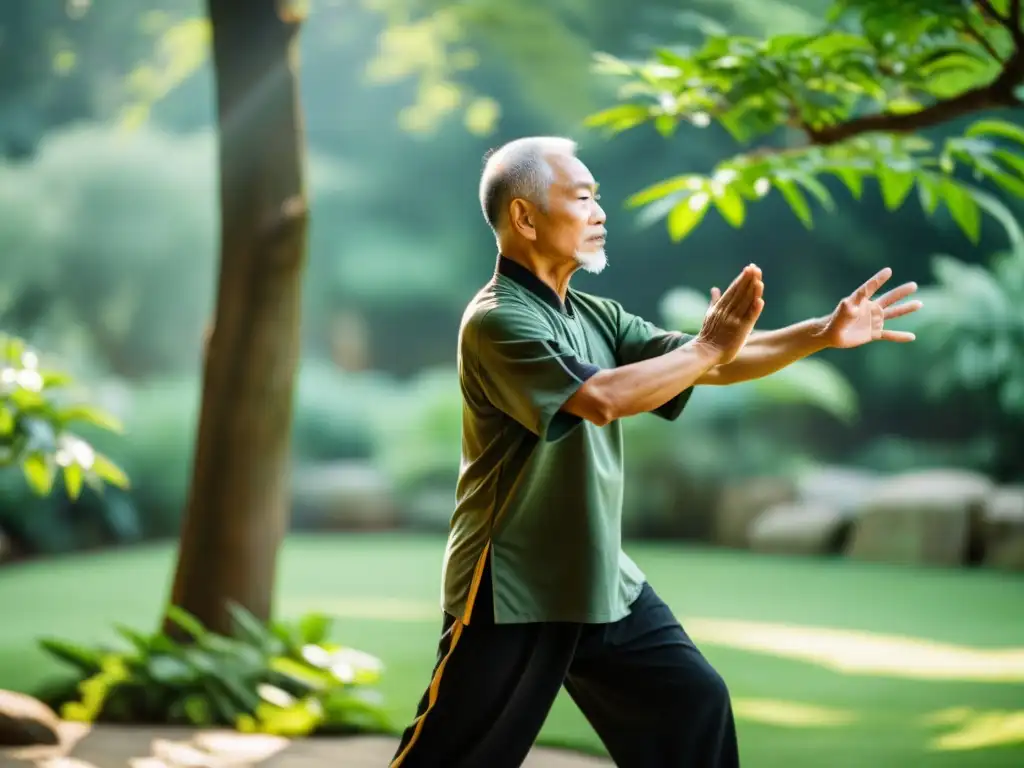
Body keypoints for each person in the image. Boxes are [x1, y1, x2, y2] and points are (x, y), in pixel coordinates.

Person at [389, 136, 921, 768]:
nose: (599, 213)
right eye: (582, 197)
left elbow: (712, 365)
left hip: (598, 575)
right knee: (457, 756)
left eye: (597, 198)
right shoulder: (498, 320)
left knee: (691, 705)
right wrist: (705, 349)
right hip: (515, 586)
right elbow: (603, 398)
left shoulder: (594, 314)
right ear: (525, 217)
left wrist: (821, 335)